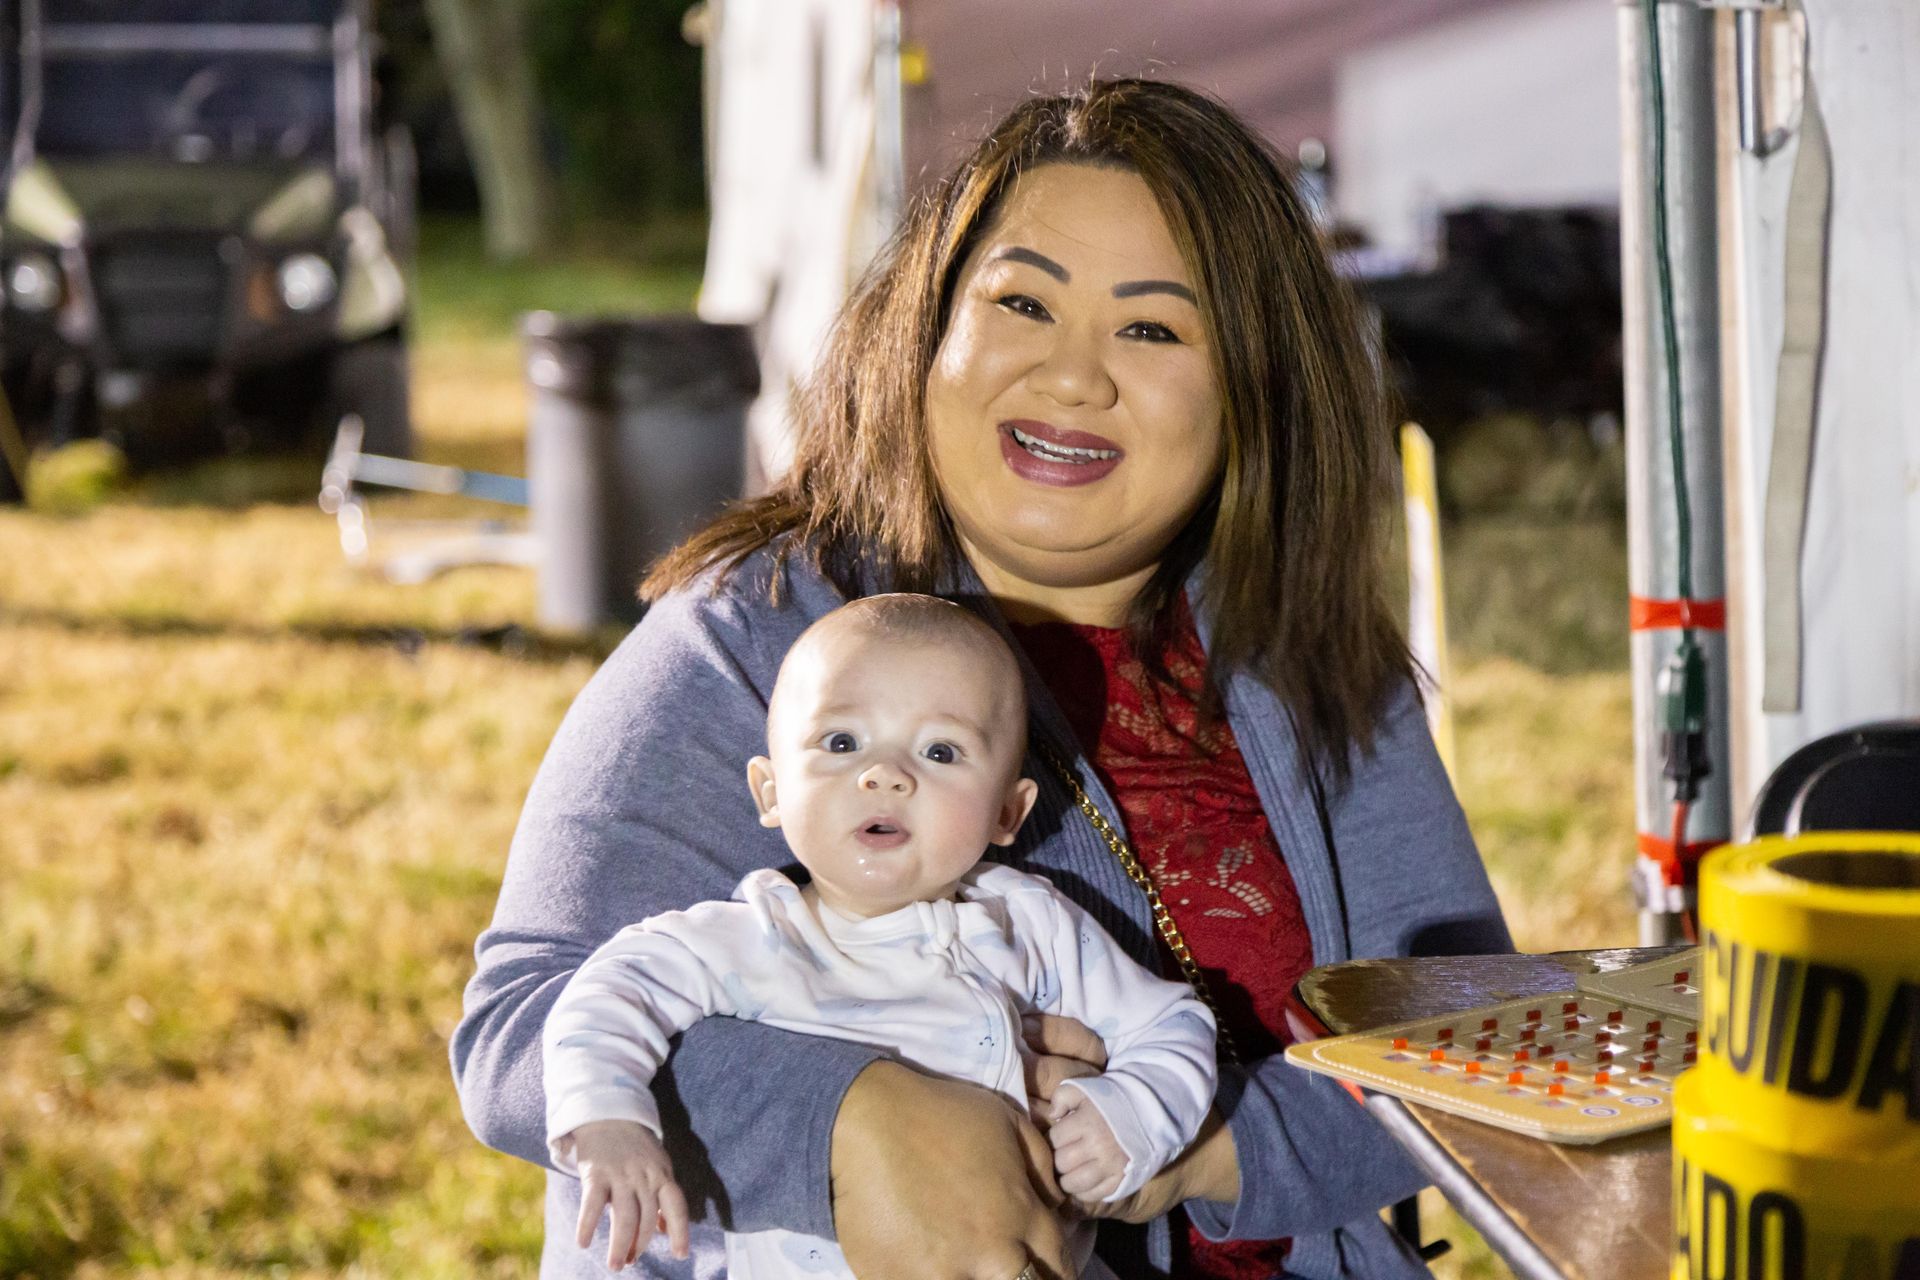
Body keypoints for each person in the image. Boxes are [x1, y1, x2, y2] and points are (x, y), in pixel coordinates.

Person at [453, 77, 1511, 1280]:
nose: (1073, 378)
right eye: (1022, 303)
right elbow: (519, 1035)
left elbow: (1459, 1054)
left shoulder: (1312, 654)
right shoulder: (756, 637)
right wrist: (856, 1118)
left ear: (1253, 389)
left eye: (1154, 328)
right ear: (928, 329)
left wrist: (1204, 1148)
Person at [542, 594, 1218, 1278]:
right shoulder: (752, 939)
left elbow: (1172, 1027)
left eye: (940, 750)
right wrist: (608, 1119)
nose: (886, 773)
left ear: (1008, 811)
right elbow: (606, 994)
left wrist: (1127, 1115)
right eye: (841, 743)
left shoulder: (1028, 923)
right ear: (771, 792)